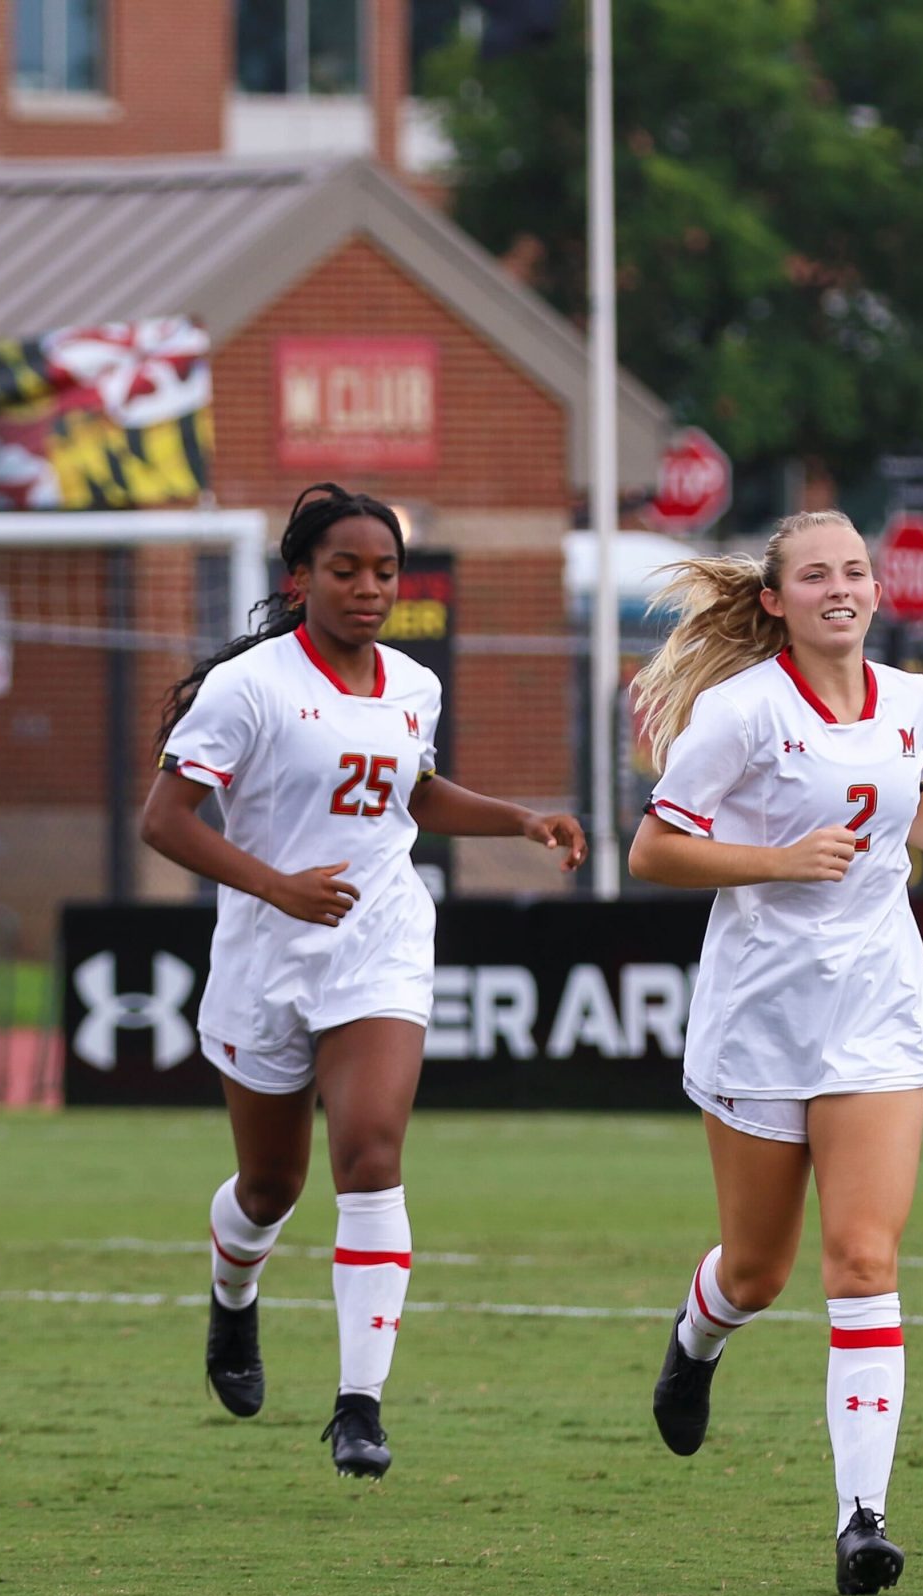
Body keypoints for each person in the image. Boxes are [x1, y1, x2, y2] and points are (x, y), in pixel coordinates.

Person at [139, 483, 587, 1479]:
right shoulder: (249, 686)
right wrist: (275, 887)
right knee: (268, 1186)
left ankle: (358, 1405)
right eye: (345, 569)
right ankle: (233, 1295)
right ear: (299, 579)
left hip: (378, 944)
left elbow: (412, 792)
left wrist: (518, 818)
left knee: (371, 1151)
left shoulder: (412, 685)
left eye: (384, 570)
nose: (368, 587)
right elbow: (163, 822)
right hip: (267, 954)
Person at [624, 510, 923, 1596]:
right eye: (815, 574)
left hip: (878, 1013)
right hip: (761, 1014)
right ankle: (696, 1340)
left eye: (854, 570)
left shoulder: (910, 698)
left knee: (863, 1260)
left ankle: (862, 1520)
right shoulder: (739, 711)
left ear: (874, 590)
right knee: (757, 1271)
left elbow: (911, 798)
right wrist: (775, 860)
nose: (840, 587)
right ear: (775, 601)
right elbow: (652, 847)